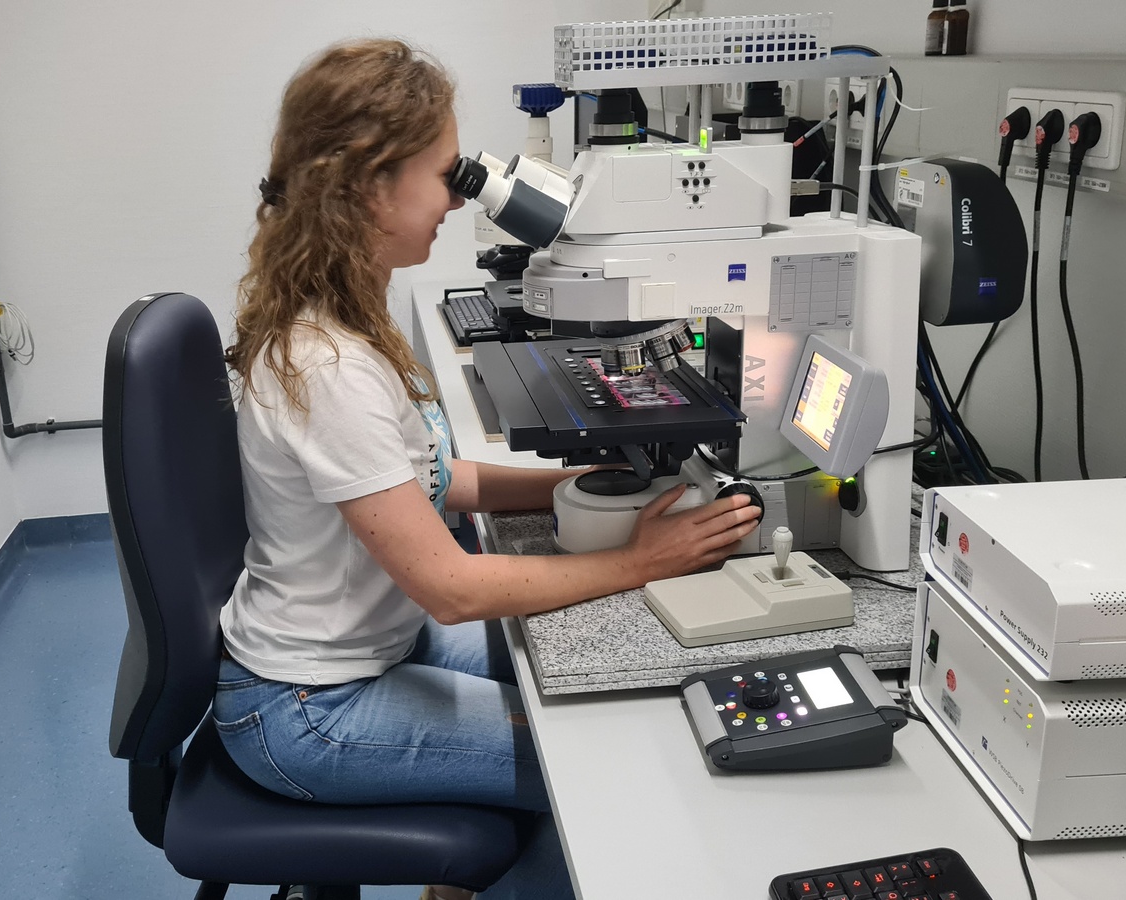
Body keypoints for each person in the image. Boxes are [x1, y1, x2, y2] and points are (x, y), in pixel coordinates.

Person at [213, 38, 761, 900]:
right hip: (308, 709)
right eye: (447, 174)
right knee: (591, 757)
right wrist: (641, 560)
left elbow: (436, 482)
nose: (460, 196)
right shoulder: (328, 366)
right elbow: (452, 588)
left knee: (572, 659)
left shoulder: (345, 315)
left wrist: (580, 484)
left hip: (370, 645)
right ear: (372, 186)